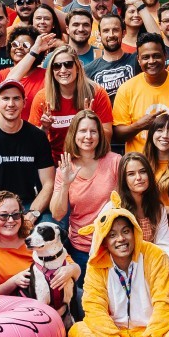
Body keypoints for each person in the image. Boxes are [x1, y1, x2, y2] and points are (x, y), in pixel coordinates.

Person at [69, 203, 169, 337]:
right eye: (112, 235)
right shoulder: (96, 265)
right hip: (114, 336)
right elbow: (94, 311)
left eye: (126, 231)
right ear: (104, 240)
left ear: (135, 232)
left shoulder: (156, 256)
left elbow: (165, 306)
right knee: (76, 332)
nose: (120, 239)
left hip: (150, 332)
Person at [0, 78, 56, 223]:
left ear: (24, 102)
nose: (11, 104)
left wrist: (33, 213)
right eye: (5, 98)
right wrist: (1, 215)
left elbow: (49, 184)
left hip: (28, 205)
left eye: (16, 99)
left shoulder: (38, 137)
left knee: (51, 229)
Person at [112, 33, 169, 154]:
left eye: (156, 56)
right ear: (138, 60)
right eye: (146, 57)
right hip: (141, 167)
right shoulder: (126, 89)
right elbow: (118, 135)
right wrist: (139, 126)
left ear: (165, 56)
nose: (151, 61)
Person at [49, 110, 122, 264]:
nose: (88, 136)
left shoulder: (115, 161)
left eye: (93, 131)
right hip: (81, 248)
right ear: (74, 135)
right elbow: (57, 214)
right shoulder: (65, 168)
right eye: (82, 131)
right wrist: (65, 184)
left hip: (112, 245)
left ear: (100, 135)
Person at [31, 47, 113, 162]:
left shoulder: (96, 93)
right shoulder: (42, 97)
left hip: (90, 161)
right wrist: (44, 128)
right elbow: (33, 144)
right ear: (52, 71)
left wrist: (91, 121)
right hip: (56, 163)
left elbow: (108, 137)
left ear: (78, 67)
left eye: (68, 64)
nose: (63, 70)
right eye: (57, 66)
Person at [0, 191, 63, 295]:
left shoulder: (34, 237)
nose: (10, 220)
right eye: (3, 216)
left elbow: (70, 263)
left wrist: (70, 270)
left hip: (55, 291)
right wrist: (13, 282)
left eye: (16, 215)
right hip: (16, 304)